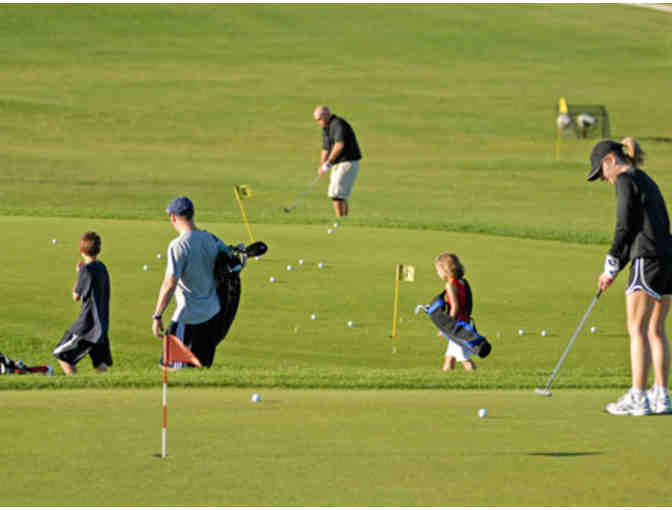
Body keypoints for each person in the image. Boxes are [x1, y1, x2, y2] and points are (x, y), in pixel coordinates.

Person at [587, 138, 672, 415]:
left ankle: (638, 396)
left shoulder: (624, 180)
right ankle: (661, 395)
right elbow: (638, 227)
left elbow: (624, 225)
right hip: (665, 259)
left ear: (610, 160)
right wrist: (614, 268)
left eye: (602, 172)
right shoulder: (644, 179)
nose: (604, 179)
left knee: (637, 328)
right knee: (655, 329)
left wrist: (612, 258)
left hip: (647, 259)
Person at [152, 196, 232, 369]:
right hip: (212, 315)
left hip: (187, 317)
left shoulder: (178, 245)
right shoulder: (212, 239)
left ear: (173, 217)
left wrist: (157, 316)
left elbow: (170, 284)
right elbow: (230, 260)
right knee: (201, 370)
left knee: (170, 369)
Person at [53, 231, 112, 375]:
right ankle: (106, 387)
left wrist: (79, 273)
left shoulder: (85, 270)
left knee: (62, 355)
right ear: (99, 250)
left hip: (87, 327)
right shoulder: (102, 267)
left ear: (81, 250)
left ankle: (74, 383)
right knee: (99, 364)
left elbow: (76, 296)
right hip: (101, 326)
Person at [314, 105, 362, 218]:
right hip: (338, 163)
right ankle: (344, 220)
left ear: (326, 115)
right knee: (338, 193)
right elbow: (325, 149)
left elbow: (339, 145)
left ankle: (340, 220)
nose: (319, 122)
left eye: (320, 119)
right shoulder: (326, 127)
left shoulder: (338, 124)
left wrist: (328, 163)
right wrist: (322, 166)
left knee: (337, 193)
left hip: (348, 161)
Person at [434, 253, 476, 371]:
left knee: (465, 360)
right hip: (465, 323)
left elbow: (455, 307)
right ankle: (443, 380)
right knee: (449, 358)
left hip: (458, 327)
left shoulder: (450, 285)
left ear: (445, 270)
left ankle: (477, 379)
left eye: (438, 270)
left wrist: (447, 326)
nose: (437, 273)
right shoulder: (462, 282)